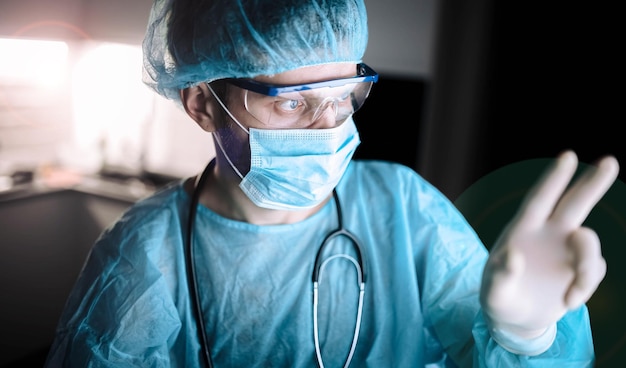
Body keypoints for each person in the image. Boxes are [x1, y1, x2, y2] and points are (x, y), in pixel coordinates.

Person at [44, 0, 619, 366]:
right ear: (201, 103)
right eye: (292, 103)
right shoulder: (145, 254)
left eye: (343, 97)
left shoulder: (404, 208)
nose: (328, 126)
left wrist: (527, 339)